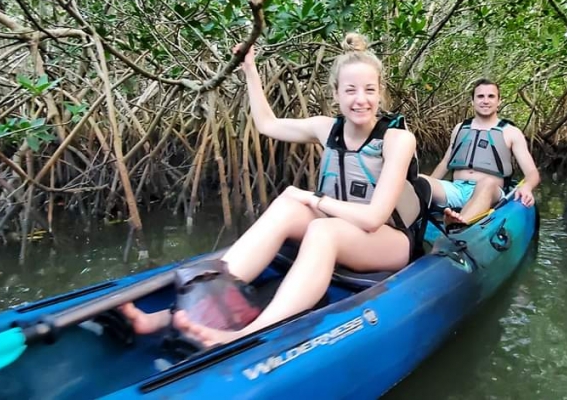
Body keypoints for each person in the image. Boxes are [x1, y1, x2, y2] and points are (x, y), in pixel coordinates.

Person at [118, 34, 423, 348]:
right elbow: (267, 124)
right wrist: (249, 69)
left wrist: (312, 198)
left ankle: (246, 333)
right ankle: (176, 314)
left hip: (388, 240)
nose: (361, 99)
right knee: (288, 208)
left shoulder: (397, 139)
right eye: (351, 90)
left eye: (370, 90)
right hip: (341, 226)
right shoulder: (325, 128)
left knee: (322, 228)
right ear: (335, 94)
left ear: (380, 92)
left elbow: (374, 218)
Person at [423, 79, 540, 226]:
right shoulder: (460, 128)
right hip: (456, 188)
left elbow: (532, 173)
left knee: (488, 183)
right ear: (472, 101)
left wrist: (527, 187)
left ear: (499, 101)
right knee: (421, 179)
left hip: (489, 191)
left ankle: (459, 223)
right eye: (480, 96)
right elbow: (445, 163)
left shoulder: (511, 132)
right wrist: (427, 187)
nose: (485, 101)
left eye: (491, 96)